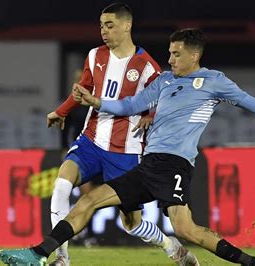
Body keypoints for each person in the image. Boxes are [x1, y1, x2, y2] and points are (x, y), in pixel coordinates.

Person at [0, 28, 255, 265]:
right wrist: (96, 101)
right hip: (147, 165)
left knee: (185, 228)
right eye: (169, 52)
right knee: (88, 200)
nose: (170, 58)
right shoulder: (163, 81)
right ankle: (38, 254)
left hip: (176, 165)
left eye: (176, 53)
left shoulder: (214, 82)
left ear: (193, 54)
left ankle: (253, 263)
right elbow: (129, 106)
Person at [43, 3, 197, 266]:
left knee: (132, 223)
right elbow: (84, 89)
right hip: (91, 140)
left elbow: (167, 102)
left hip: (126, 153)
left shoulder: (147, 66)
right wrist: (62, 111)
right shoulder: (94, 56)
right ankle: (61, 258)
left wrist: (151, 116)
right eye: (101, 25)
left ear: (127, 26)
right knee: (61, 184)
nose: (104, 31)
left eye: (110, 25)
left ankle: (171, 246)